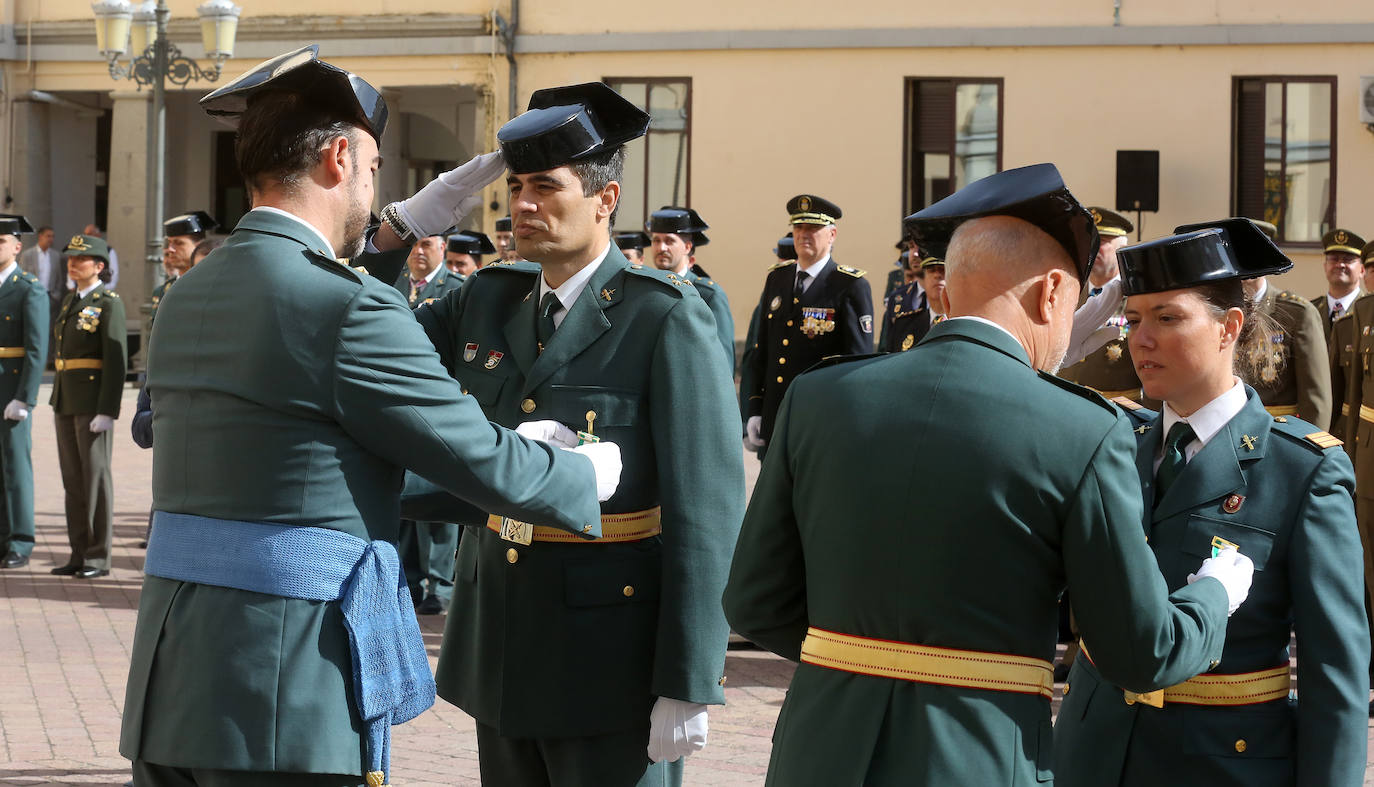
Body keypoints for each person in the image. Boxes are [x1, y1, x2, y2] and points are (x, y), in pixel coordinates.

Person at [119, 46, 622, 787]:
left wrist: (388, 238)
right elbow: (476, 456)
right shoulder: (350, 308)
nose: (373, 188)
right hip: (285, 692)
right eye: (374, 169)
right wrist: (577, 471)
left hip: (173, 679)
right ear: (336, 158)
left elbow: (299, 413)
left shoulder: (192, 291)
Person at [722, 163, 1253, 786]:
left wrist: (859, 659)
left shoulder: (820, 398)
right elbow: (1142, 651)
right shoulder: (1082, 428)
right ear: (1052, 292)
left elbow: (755, 602)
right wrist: (1215, 590)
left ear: (946, 291)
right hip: (978, 755)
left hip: (818, 750)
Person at [406, 81, 745, 787]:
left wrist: (690, 673)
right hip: (497, 639)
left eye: (546, 187)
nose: (523, 204)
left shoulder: (664, 318)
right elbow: (356, 334)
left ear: (605, 200)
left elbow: (707, 511)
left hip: (608, 658)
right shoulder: (487, 299)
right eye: (517, 186)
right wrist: (398, 229)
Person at [1054, 218, 1368, 787]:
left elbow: (1335, 675)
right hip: (1092, 751)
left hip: (1219, 759)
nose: (1139, 339)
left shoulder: (1302, 469)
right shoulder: (1110, 442)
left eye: (1168, 318)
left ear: (1229, 327)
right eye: (1135, 318)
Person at [742, 194, 874, 457]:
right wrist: (755, 409)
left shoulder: (849, 285)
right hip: (776, 416)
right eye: (799, 227)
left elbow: (857, 363)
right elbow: (763, 351)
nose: (804, 235)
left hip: (821, 419)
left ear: (832, 234)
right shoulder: (777, 279)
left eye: (813, 228)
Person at [49, 233, 127, 580]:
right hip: (66, 398)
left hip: (93, 401)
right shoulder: (70, 301)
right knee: (73, 480)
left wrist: (108, 409)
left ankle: (98, 555)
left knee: (95, 478)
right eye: (70, 259)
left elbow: (116, 359)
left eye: (80, 259)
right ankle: (79, 551)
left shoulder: (109, 302)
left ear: (99, 266)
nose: (73, 264)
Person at [1237, 219, 1330, 429]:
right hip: (1227, 432)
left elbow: (1315, 398)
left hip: (1277, 434)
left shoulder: (1297, 313)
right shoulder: (1220, 311)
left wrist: (1309, 453)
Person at [0, 215, 48, 569]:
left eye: (1, 241)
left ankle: (20, 540)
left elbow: (36, 348)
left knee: (15, 468)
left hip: (10, 390)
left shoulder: (27, 287)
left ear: (17, 247)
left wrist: (25, 398)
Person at [1058, 207, 1143, 400]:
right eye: (1087, 241)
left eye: (1101, 241)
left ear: (1121, 248)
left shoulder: (1137, 294)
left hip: (1122, 406)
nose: (1092, 247)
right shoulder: (1067, 291)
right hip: (1069, 401)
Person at [647, 206, 735, 371]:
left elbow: (722, 363)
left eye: (669, 241)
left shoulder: (708, 295)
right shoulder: (645, 290)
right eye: (656, 240)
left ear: (687, 247)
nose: (661, 248)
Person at [151, 211, 217, 321]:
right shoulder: (162, 291)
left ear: (198, 246)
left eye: (179, 243)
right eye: (169, 243)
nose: (170, 249)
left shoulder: (211, 287)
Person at [883, 255, 946, 352]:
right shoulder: (903, 324)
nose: (937, 275)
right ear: (923, 280)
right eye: (931, 270)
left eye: (943, 270)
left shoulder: (967, 324)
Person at [1313, 228, 1366, 336]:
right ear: (1325, 266)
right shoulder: (1311, 310)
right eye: (1334, 259)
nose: (1340, 265)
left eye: (1348, 259)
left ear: (1362, 270)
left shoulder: (1369, 310)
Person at [396, 233, 463, 307]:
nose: (418, 251)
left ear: (442, 248)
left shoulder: (458, 287)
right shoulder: (394, 279)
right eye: (413, 244)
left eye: (426, 244)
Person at [82, 224, 118, 289]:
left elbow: (114, 273)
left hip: (102, 289)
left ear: (98, 235)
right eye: (85, 234)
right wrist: (71, 285)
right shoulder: (82, 250)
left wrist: (106, 288)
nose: (87, 237)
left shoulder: (108, 251)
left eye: (90, 234)